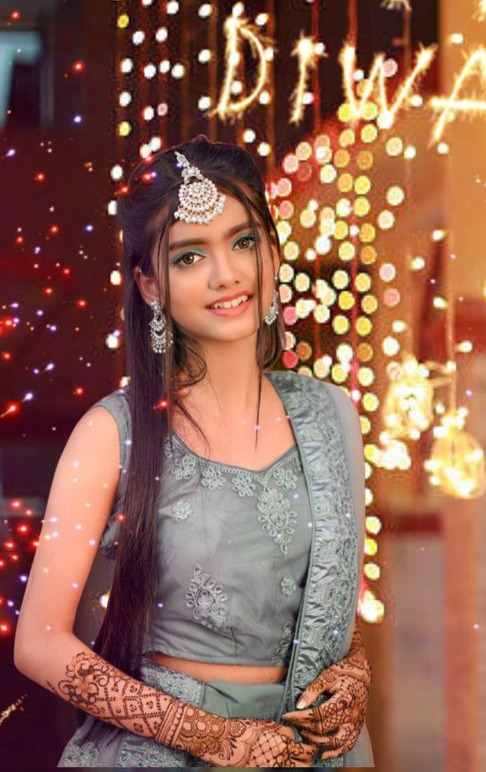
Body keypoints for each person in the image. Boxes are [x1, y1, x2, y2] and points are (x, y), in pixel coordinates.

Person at [13, 136, 374, 767]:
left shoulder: (330, 415)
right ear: (150, 285)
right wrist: (218, 739)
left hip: (309, 752)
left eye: (242, 242)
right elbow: (39, 643)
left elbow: (323, 606)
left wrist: (355, 673)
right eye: (188, 257)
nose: (225, 274)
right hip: (167, 752)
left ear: (272, 252)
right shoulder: (112, 433)